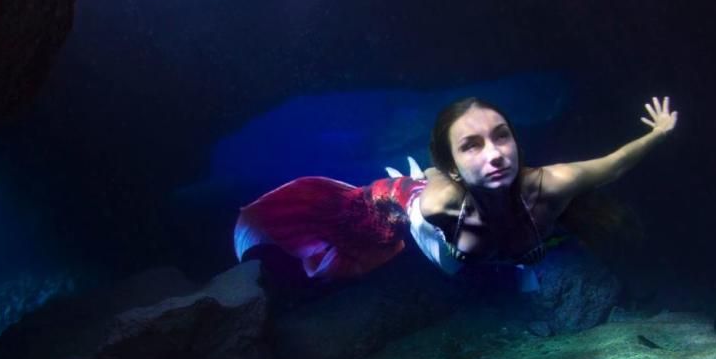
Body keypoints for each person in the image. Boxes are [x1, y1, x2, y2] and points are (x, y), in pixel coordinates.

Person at [234, 96, 677, 286]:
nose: (496, 154)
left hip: (502, 242)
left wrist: (658, 134)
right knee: (394, 194)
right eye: (472, 145)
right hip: (439, 244)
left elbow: (614, 165)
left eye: (502, 136)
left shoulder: (552, 183)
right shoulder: (441, 200)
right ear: (454, 163)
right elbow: (423, 186)